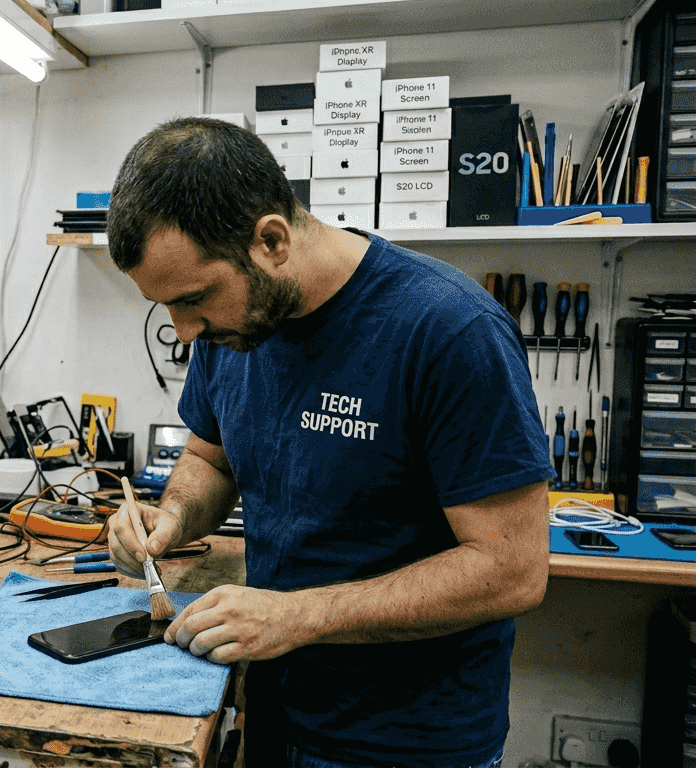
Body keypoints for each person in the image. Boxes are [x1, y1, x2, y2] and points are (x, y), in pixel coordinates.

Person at [104, 117, 554, 768]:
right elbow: (210, 456)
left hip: (406, 744)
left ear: (272, 241)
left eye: (195, 298)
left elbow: (511, 569)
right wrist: (170, 517)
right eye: (165, 307)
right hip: (270, 707)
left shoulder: (450, 331)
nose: (184, 331)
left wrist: (298, 616)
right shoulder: (228, 330)